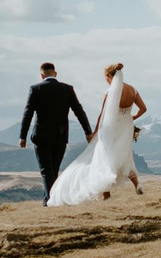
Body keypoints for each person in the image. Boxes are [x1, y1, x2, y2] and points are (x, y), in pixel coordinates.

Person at [45, 63, 147, 207]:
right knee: (125, 155)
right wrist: (131, 118)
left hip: (111, 128)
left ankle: (106, 194)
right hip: (126, 126)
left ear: (110, 76)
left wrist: (95, 132)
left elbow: (103, 114)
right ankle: (137, 185)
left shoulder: (110, 91)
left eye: (106, 78)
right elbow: (143, 109)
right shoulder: (133, 90)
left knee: (104, 156)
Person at [18, 61, 93, 200]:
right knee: (54, 169)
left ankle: (51, 201)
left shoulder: (35, 89)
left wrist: (22, 136)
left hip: (41, 135)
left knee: (46, 170)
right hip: (60, 135)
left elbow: (27, 113)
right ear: (55, 73)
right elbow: (79, 111)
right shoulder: (67, 89)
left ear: (42, 75)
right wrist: (87, 131)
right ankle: (50, 200)